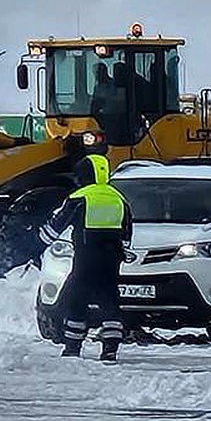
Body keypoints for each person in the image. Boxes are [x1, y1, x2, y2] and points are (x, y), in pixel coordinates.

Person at [36, 154, 133, 362]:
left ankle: (72, 347)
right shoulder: (118, 198)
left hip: (86, 258)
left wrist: (36, 242)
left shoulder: (80, 197)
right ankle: (110, 349)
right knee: (110, 301)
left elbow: (55, 227)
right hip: (111, 260)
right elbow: (127, 231)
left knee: (76, 300)